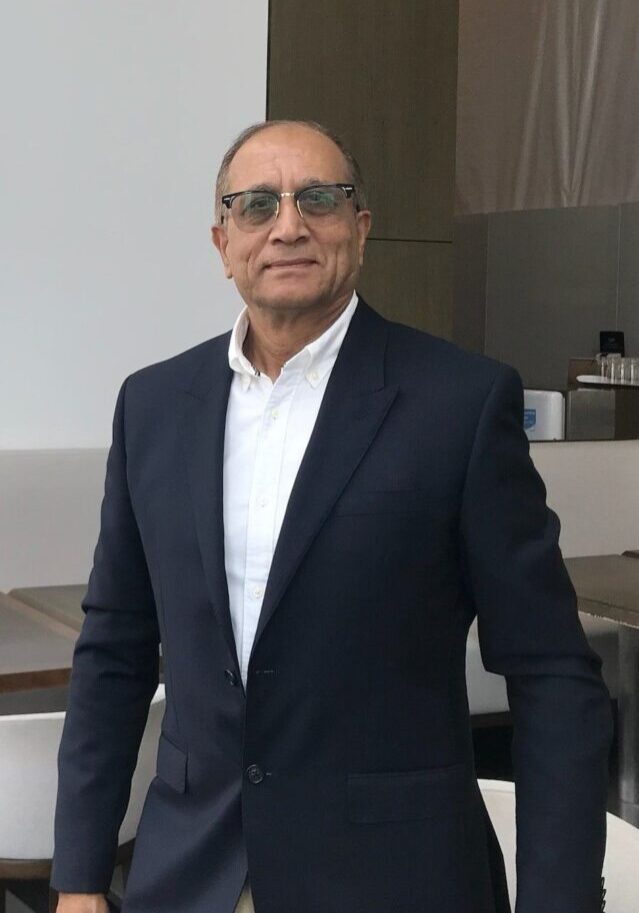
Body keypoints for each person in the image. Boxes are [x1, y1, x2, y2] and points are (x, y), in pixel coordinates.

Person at [52, 120, 612, 913]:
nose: (288, 224)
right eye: (255, 206)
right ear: (222, 242)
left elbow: (551, 674)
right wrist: (78, 877)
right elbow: (113, 649)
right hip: (190, 874)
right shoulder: (152, 407)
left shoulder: (458, 403)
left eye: (318, 197)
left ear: (359, 227)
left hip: (394, 878)